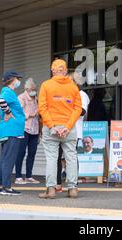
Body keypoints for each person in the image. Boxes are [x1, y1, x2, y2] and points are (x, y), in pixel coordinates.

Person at [38, 59, 82, 199]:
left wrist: (52, 126)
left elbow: (42, 108)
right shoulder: (73, 87)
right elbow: (78, 108)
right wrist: (68, 127)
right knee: (71, 157)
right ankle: (72, 189)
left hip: (51, 128)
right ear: (65, 71)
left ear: (52, 70)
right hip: (69, 129)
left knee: (52, 158)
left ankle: (51, 189)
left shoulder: (46, 85)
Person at [0, 70, 25, 196]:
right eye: (18, 78)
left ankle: (0, 186)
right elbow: (1, 101)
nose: (19, 81)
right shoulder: (7, 91)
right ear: (12, 79)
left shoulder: (8, 92)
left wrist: (8, 112)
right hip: (12, 130)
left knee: (4, 159)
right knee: (9, 159)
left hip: (9, 130)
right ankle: (6, 186)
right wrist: (8, 112)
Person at [15, 78, 41, 185]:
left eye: (35, 89)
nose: (34, 91)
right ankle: (18, 176)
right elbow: (17, 112)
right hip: (24, 128)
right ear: (27, 88)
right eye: (32, 89)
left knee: (32, 153)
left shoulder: (36, 99)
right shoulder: (21, 98)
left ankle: (29, 176)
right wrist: (29, 115)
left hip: (35, 129)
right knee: (21, 152)